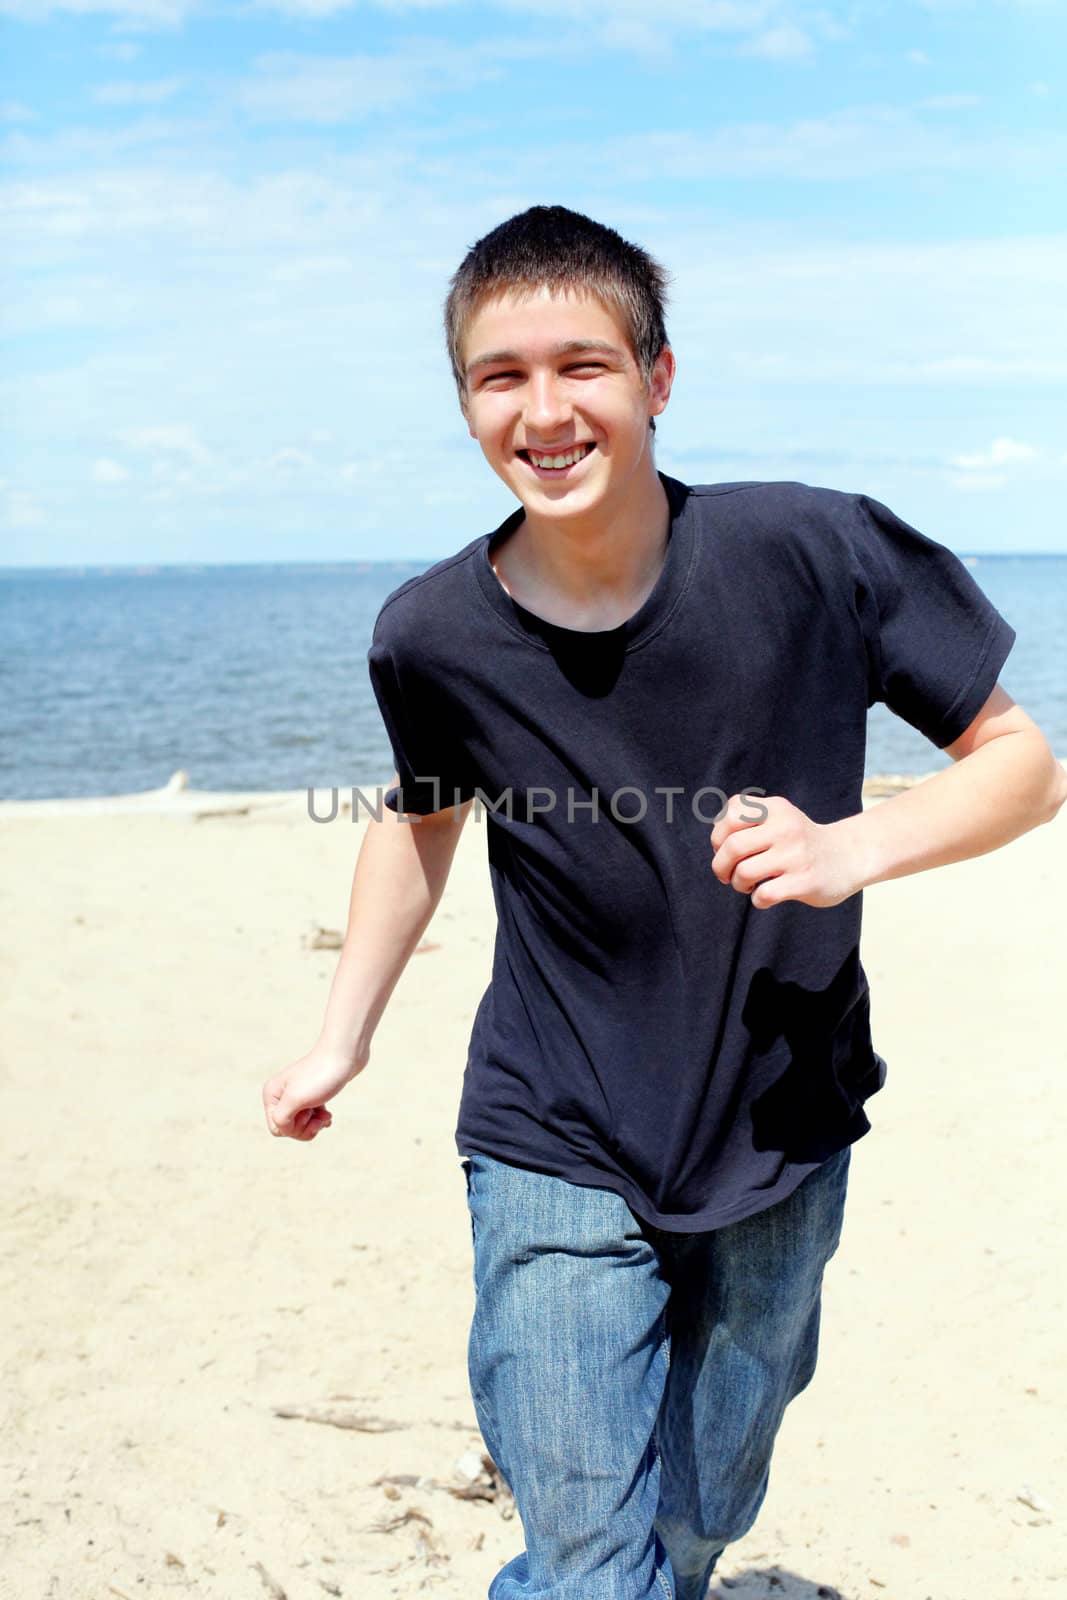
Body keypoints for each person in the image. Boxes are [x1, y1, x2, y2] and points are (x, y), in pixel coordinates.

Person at [262, 205, 1066, 1600]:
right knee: (587, 1561)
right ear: (465, 403)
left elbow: (1024, 767)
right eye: (500, 376)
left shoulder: (817, 553)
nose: (546, 408)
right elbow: (420, 816)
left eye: (585, 365)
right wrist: (346, 1033)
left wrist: (853, 848)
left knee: (696, 1520)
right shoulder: (430, 633)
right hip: (551, 1124)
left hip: (783, 1120)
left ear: (659, 379)